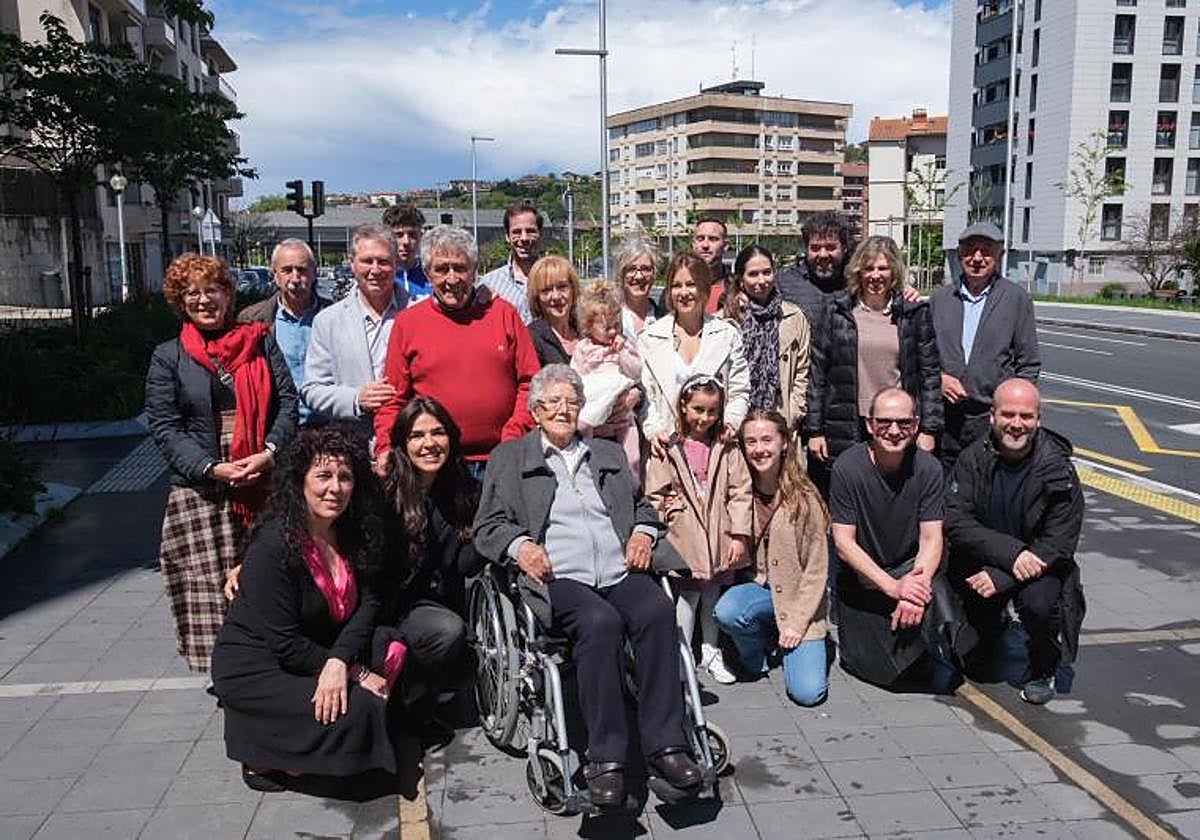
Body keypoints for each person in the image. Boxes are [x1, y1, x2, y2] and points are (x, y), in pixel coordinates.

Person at [473, 365, 703, 807]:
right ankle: (606, 759)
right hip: (559, 577)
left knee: (656, 610)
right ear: (535, 410)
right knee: (600, 623)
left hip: (619, 571)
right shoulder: (511, 457)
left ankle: (666, 746)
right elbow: (488, 525)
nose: (564, 409)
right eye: (553, 402)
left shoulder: (606, 454)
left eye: (572, 401)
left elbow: (643, 510)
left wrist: (641, 534)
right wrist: (521, 546)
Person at [211, 426, 395, 789]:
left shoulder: (354, 530)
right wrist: (352, 671)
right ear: (300, 482)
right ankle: (263, 758)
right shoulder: (274, 546)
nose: (335, 487)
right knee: (359, 707)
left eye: (345, 477)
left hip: (317, 645)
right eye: (323, 476)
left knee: (392, 645)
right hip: (259, 666)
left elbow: (369, 603)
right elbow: (284, 644)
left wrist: (340, 661)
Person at [146, 254, 298, 673]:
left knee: (268, 574)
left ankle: (273, 661)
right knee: (208, 583)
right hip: (202, 488)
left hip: (262, 476)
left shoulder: (260, 339)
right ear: (181, 302)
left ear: (228, 294)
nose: (204, 300)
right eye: (192, 293)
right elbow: (164, 426)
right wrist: (210, 467)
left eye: (212, 289)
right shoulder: (168, 356)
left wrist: (269, 452)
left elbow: (288, 402)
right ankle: (226, 669)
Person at [945, 379, 1085, 705]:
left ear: (1039, 419)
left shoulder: (1057, 468)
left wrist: (1005, 575)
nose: (1017, 424)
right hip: (988, 559)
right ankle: (994, 625)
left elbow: (1060, 541)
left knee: (1039, 603)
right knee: (972, 661)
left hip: (1040, 565)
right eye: (1008, 414)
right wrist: (1010, 556)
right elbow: (956, 521)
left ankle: (1043, 666)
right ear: (992, 416)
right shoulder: (973, 458)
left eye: (1026, 416)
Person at [828, 387, 972, 689]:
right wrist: (894, 588)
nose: (894, 431)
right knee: (881, 673)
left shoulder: (929, 468)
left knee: (939, 601)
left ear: (916, 425)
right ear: (869, 424)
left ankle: (935, 644)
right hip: (864, 578)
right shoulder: (846, 468)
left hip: (909, 571)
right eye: (884, 422)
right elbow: (844, 544)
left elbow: (932, 538)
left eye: (904, 423)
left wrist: (915, 587)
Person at [372, 225, 539, 476]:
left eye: (460, 268)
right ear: (427, 274)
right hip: (433, 464)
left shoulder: (503, 314)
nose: (452, 279)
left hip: (501, 458)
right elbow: (393, 398)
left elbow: (530, 382)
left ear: (474, 271)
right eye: (441, 269)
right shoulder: (408, 323)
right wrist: (386, 446)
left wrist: (513, 434)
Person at [805, 236, 943, 496]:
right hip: (847, 422)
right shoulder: (836, 312)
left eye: (883, 268)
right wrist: (815, 430)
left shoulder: (914, 314)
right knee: (849, 494)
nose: (875, 275)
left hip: (895, 423)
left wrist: (929, 429)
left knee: (893, 493)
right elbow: (818, 375)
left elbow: (930, 376)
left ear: (894, 272)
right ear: (858, 271)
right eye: (869, 268)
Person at [714, 410, 830, 706]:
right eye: (750, 441)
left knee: (808, 693)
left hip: (797, 600)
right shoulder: (739, 490)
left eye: (767, 439)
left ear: (784, 443)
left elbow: (817, 572)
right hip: (759, 589)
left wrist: (796, 623)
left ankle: (791, 638)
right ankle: (759, 653)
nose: (759, 449)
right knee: (728, 611)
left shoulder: (805, 499)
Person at [644, 375, 751, 685]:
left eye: (712, 411)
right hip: (686, 534)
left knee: (713, 595)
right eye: (698, 409)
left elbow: (740, 491)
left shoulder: (726, 446)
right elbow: (655, 492)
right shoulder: (670, 446)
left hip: (719, 533)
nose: (704, 418)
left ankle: (711, 649)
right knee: (688, 596)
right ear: (683, 406)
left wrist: (739, 535)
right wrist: (668, 514)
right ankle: (682, 654)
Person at [379, 397, 479, 728]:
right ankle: (409, 710)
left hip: (448, 600)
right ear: (402, 444)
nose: (429, 444)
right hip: (399, 607)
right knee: (447, 630)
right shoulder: (385, 494)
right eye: (417, 435)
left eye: (438, 433)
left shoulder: (466, 492)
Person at [930, 222, 1041, 473]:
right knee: (943, 488)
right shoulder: (940, 299)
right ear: (960, 254)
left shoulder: (1016, 299)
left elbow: (1028, 363)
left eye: (986, 250)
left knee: (985, 488)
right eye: (970, 250)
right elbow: (923, 357)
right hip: (944, 418)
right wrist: (939, 379)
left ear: (999, 255)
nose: (977, 257)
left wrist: (1014, 412)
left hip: (989, 419)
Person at [638, 252, 750, 452]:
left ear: (704, 289)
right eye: (676, 286)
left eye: (691, 284)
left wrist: (731, 422)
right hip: (666, 449)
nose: (684, 292)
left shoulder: (727, 335)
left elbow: (739, 390)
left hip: (716, 447)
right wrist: (654, 431)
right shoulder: (649, 338)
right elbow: (646, 397)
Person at [302, 224, 403, 442]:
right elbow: (312, 390)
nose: (375, 270)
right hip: (355, 443)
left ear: (396, 264)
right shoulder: (328, 321)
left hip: (408, 442)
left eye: (384, 261)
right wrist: (356, 399)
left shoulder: (416, 311)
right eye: (367, 261)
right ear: (352, 263)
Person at [238, 238, 330, 426]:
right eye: (287, 270)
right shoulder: (252, 319)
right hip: (277, 430)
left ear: (314, 273)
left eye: (302, 270)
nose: (295, 278)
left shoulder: (334, 316)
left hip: (327, 426)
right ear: (274, 275)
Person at [723, 244, 811, 431]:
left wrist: (794, 412)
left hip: (780, 418)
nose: (761, 280)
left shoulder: (793, 316)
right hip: (738, 421)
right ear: (740, 280)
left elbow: (802, 371)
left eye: (767, 272)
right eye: (753, 274)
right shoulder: (726, 321)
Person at [571, 280, 642, 473]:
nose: (612, 332)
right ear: (588, 326)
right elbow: (576, 377)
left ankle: (633, 488)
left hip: (622, 410)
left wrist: (622, 354)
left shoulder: (624, 345)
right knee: (583, 425)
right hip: (596, 402)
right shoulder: (583, 348)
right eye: (606, 327)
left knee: (633, 457)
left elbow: (636, 372)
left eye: (616, 325)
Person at [478, 202, 542, 324]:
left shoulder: (556, 280)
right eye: (517, 232)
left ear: (540, 234)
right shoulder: (489, 284)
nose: (524, 238)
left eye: (530, 231)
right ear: (507, 236)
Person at [525, 254, 581, 367]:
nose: (556, 296)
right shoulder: (531, 338)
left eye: (562, 287)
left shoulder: (586, 331)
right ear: (537, 297)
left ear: (573, 290)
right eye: (546, 290)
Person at [613, 233, 662, 344]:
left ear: (654, 274)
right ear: (621, 274)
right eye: (631, 269)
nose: (639, 276)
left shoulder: (664, 318)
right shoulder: (609, 318)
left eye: (645, 269)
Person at [382, 204, 430, 305]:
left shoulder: (432, 275)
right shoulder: (378, 277)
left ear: (420, 237)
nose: (406, 242)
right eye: (398, 235)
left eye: (412, 235)